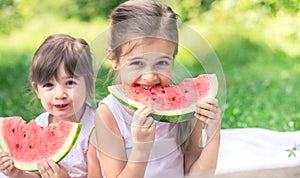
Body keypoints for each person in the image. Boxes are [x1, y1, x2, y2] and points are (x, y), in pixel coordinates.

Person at [94, 0, 222, 177]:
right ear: (114, 59)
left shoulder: (187, 108)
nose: (150, 76)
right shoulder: (109, 113)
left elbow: (198, 174)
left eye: (162, 63)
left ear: (173, 57)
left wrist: (213, 134)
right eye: (137, 63)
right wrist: (141, 150)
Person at [0, 34, 102, 178]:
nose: (60, 94)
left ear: (89, 84)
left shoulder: (97, 129)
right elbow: (37, 174)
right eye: (49, 85)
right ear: (37, 90)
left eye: (70, 83)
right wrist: (20, 174)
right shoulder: (41, 123)